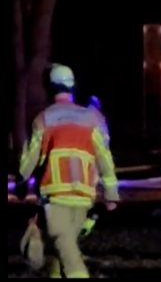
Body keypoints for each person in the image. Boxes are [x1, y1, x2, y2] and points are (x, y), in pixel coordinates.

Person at [18, 63, 119, 278]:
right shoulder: (92, 118)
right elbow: (104, 158)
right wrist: (111, 193)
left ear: (49, 87)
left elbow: (28, 162)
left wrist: (21, 182)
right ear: (73, 86)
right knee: (63, 250)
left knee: (68, 254)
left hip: (56, 196)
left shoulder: (43, 119)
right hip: (83, 196)